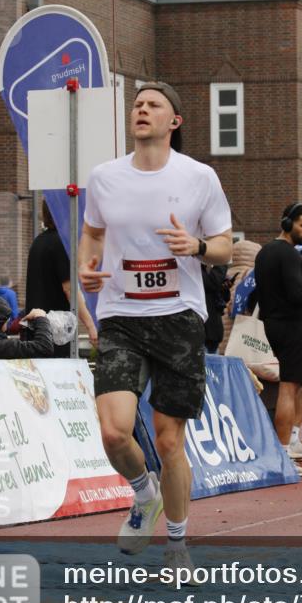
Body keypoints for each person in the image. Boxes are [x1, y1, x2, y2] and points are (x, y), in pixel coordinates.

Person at [78, 81, 232, 577]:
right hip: (121, 314)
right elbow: (93, 233)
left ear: (174, 122)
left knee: (169, 441)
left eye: (153, 105)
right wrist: (88, 267)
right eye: (137, 104)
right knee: (113, 430)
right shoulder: (105, 177)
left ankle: (178, 543)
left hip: (179, 316)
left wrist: (197, 248)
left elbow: (225, 244)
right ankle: (144, 494)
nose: (141, 110)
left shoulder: (199, 178)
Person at [254, 202, 302, 469]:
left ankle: (294, 437)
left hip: (279, 324)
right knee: (289, 386)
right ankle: (283, 452)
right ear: (287, 224)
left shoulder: (265, 252)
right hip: (290, 325)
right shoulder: (288, 254)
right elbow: (297, 296)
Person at [25, 200, 98, 355]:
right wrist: (91, 326)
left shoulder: (39, 241)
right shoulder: (61, 244)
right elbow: (69, 289)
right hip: (56, 332)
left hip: (37, 329)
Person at [201, 263, 230, 354]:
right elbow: (212, 281)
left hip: (214, 332)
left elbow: (224, 298)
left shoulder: (208, 267)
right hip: (202, 334)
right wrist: (222, 262)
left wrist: (224, 287)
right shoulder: (194, 269)